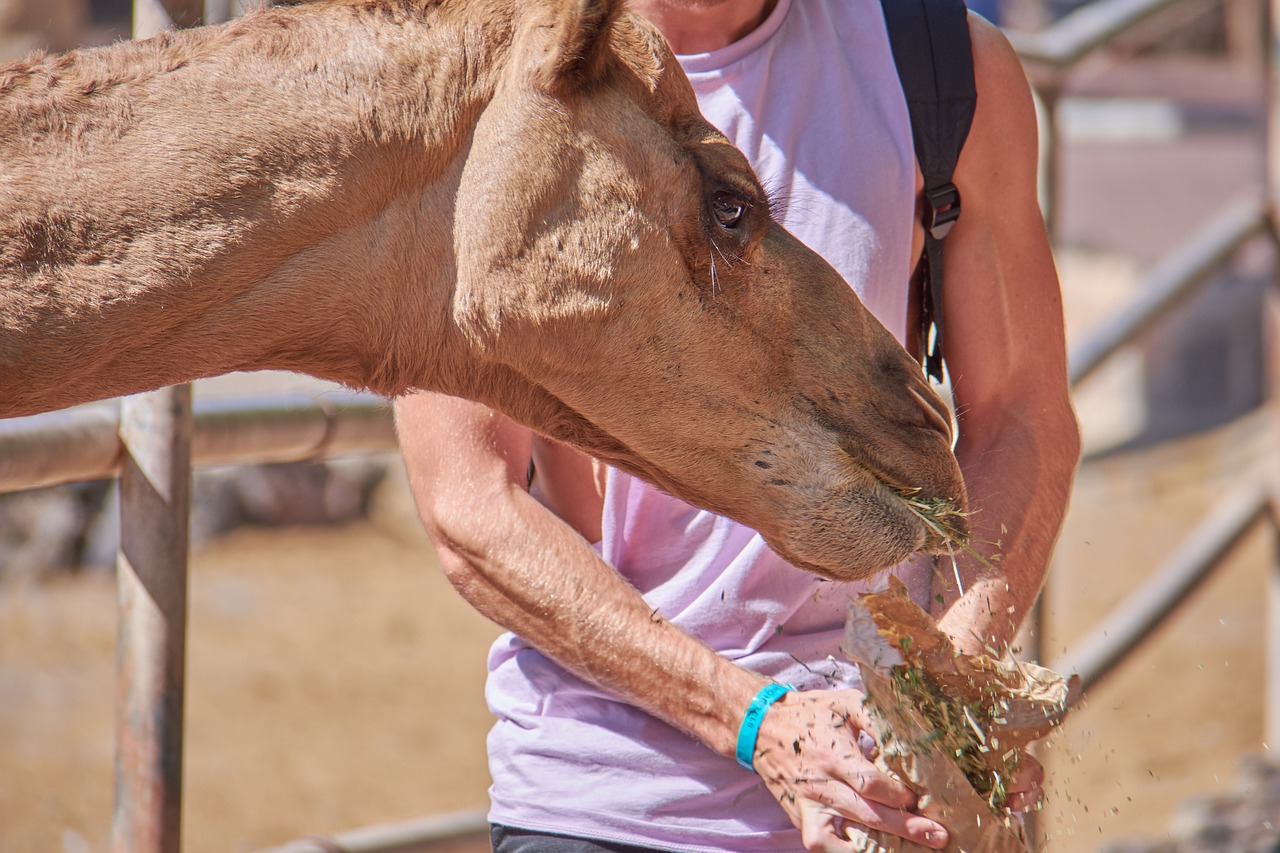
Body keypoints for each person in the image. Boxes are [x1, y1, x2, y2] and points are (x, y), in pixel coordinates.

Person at [395, 1, 1081, 850]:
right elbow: (470, 507)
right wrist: (758, 724)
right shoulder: (482, 79)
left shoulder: (941, 66)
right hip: (607, 796)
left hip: (882, 788)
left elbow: (1022, 413)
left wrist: (951, 676)